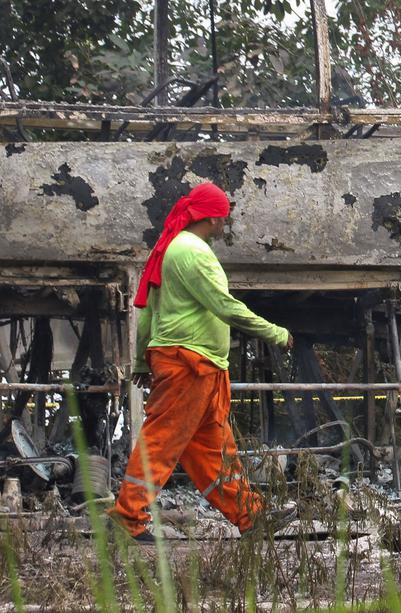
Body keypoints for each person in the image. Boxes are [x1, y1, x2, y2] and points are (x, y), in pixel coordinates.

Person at [107, 182, 294, 543]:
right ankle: (128, 518)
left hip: (195, 364)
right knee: (162, 441)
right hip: (189, 363)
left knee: (213, 450)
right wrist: (275, 333)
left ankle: (250, 517)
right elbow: (225, 306)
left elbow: (146, 313)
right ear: (212, 217)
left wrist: (144, 361)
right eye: (223, 216)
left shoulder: (170, 248)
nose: (225, 224)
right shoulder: (193, 252)